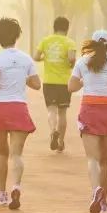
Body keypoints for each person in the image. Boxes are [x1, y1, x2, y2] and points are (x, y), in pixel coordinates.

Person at [68, 29, 107, 213]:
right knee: (105, 160)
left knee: (92, 158)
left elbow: (71, 87)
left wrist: (86, 80)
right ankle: (104, 201)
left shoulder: (82, 62)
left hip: (89, 110)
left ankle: (95, 190)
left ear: (92, 44)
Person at [0, 17, 41, 210]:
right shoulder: (26, 59)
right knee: (16, 154)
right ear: (17, 36)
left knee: (2, 152)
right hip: (18, 107)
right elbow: (36, 84)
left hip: (0, 107)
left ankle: (2, 193)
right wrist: (20, 78)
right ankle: (16, 186)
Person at [35, 16, 77, 152]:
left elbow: (35, 57)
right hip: (65, 82)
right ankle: (60, 142)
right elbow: (71, 58)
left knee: (51, 110)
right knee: (62, 113)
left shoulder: (46, 41)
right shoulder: (70, 42)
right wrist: (71, 64)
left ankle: (53, 130)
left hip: (49, 81)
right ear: (67, 29)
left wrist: (45, 58)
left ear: (54, 27)